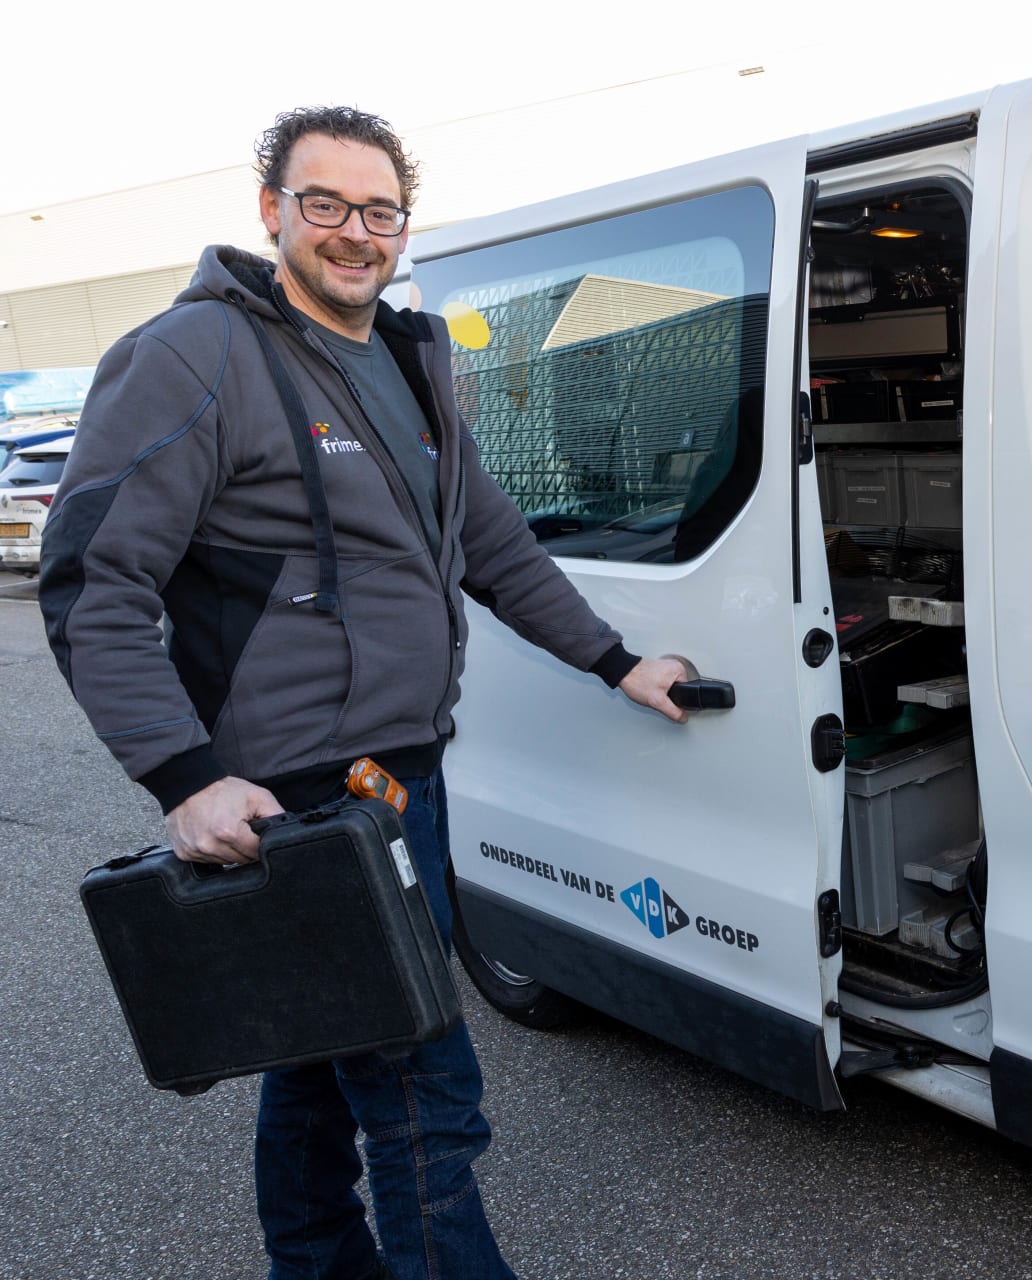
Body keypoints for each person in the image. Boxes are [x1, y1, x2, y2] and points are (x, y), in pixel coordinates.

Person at [40, 106, 689, 1280]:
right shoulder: (195, 353)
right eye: (325, 203)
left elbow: (492, 544)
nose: (354, 231)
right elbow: (94, 578)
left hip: (404, 777)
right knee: (426, 1092)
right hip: (295, 796)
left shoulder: (406, 357)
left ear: (403, 223)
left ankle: (316, 1263)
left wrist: (614, 659)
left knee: (316, 1062)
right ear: (271, 210)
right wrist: (184, 777)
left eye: (379, 209)